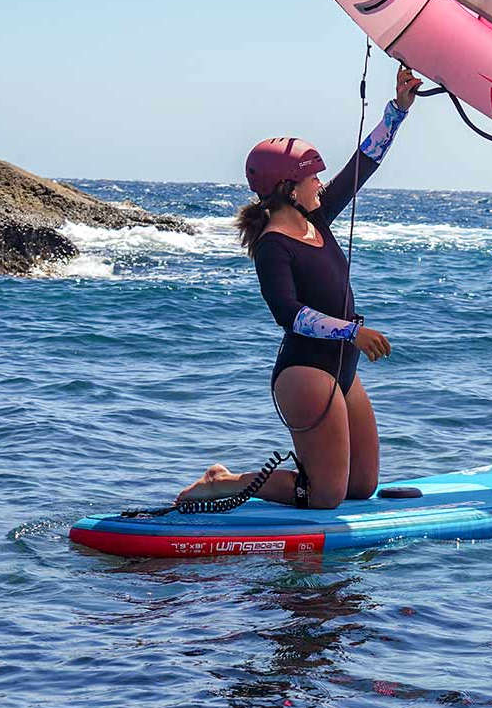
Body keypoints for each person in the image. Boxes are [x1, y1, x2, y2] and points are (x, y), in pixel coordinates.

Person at [176, 61, 423, 511]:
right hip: (305, 372)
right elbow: (288, 315)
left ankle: (242, 481)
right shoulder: (273, 246)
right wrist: (352, 331)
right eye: (312, 176)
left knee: (360, 487)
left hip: (343, 370)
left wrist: (398, 109)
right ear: (288, 188)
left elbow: (361, 164)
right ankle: (224, 481)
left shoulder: (317, 217)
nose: (320, 183)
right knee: (323, 496)